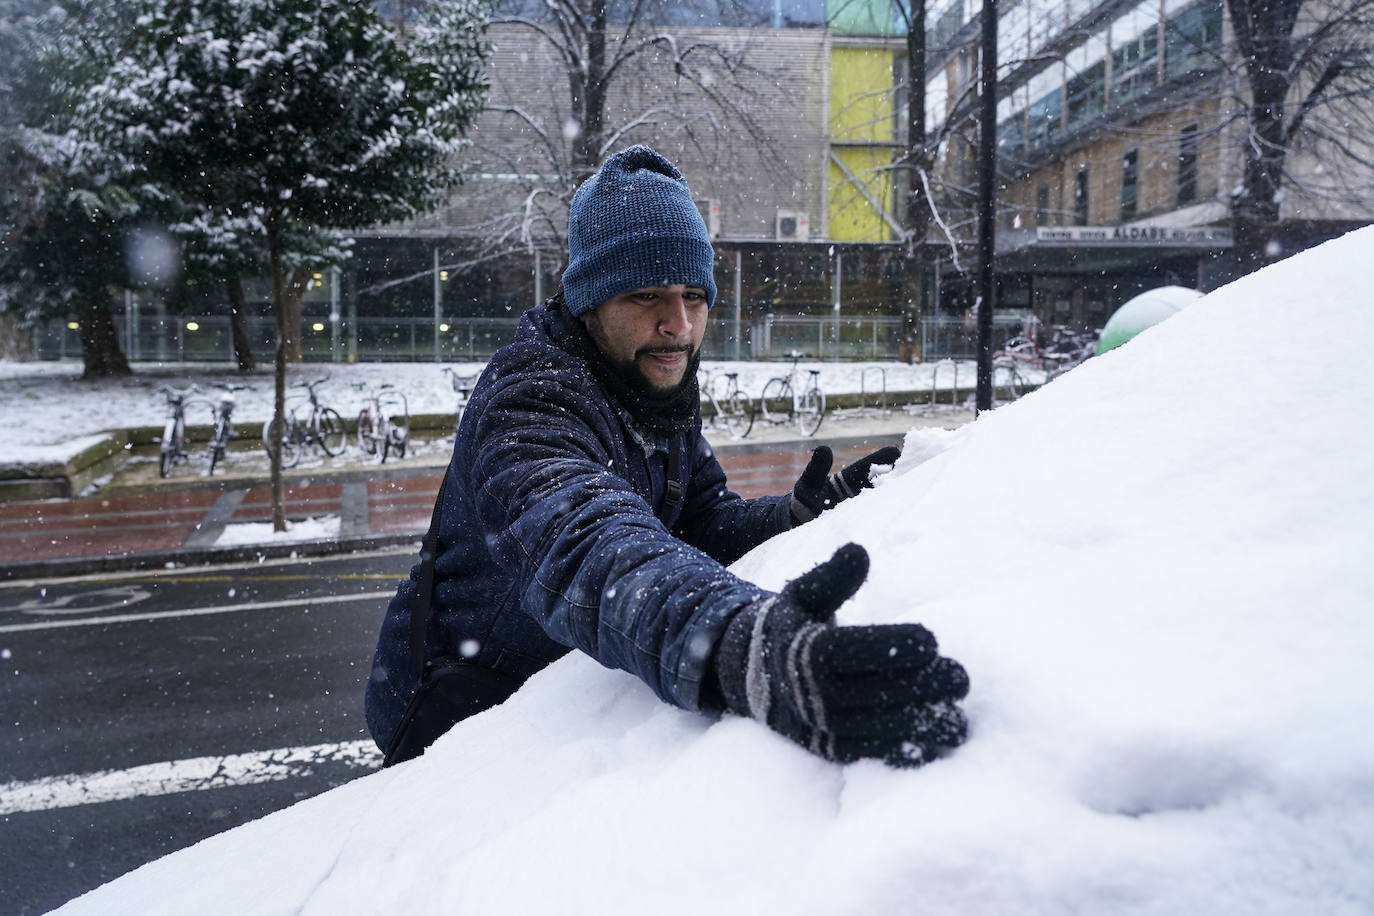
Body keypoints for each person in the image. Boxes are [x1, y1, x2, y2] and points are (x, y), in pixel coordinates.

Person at [365, 145, 969, 767]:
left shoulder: (653, 381)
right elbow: (583, 545)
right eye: (647, 296)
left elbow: (699, 522)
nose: (678, 323)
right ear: (589, 301)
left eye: (693, 296)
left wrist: (798, 513)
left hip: (574, 712)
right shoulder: (531, 397)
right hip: (466, 726)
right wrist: (737, 642)